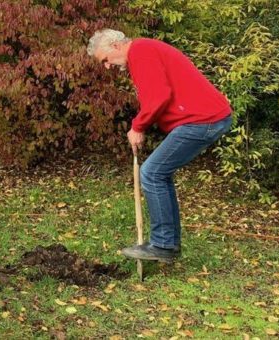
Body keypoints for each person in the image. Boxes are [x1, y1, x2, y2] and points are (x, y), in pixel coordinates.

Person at [87, 29, 233, 261]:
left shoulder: (141, 51)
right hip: (205, 119)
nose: (107, 66)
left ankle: (164, 245)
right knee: (159, 174)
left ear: (115, 46)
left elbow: (159, 97)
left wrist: (137, 127)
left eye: (104, 59)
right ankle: (168, 244)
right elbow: (158, 96)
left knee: (152, 173)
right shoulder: (142, 53)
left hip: (203, 120)